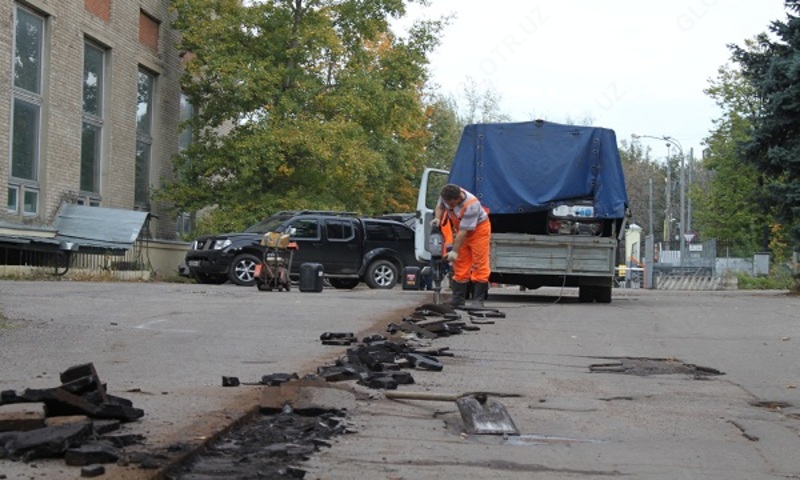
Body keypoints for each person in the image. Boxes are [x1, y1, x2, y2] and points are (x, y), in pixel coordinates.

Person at [430, 184, 491, 307]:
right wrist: (437, 218)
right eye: (448, 203)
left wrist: (454, 251)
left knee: (479, 263)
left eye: (452, 204)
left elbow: (463, 231)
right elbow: (440, 206)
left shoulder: (471, 205)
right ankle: (458, 300)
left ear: (458, 198)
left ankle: (478, 301)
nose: (450, 206)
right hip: (461, 231)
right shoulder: (446, 194)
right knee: (460, 264)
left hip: (478, 231)